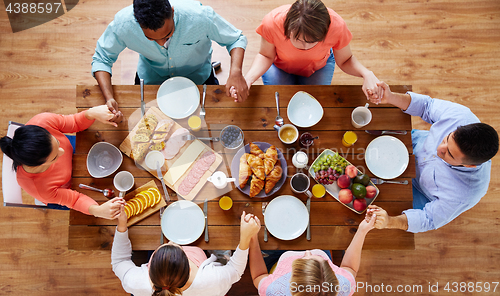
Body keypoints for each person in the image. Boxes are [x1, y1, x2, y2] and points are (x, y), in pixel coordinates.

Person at [366, 82, 499, 233]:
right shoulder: (461, 116)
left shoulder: (466, 193)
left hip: (416, 190)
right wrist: (391, 97)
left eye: (449, 153)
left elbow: (428, 219)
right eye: (446, 139)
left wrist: (390, 221)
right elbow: (426, 106)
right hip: (410, 143)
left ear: (469, 166)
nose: (438, 149)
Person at [92, 0, 249, 122]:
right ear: (138, 23)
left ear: (172, 12)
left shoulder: (200, 17)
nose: (161, 43)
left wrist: (236, 72)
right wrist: (109, 97)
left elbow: (235, 39)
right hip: (151, 82)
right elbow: (101, 58)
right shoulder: (124, 25)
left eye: (168, 35)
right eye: (150, 39)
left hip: (199, 80)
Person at [0, 105, 125, 219]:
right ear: (40, 164)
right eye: (55, 157)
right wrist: (97, 210)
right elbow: (74, 200)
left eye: (57, 142)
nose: (62, 151)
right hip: (65, 190)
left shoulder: (42, 121)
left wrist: (91, 113)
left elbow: (74, 122)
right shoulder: (40, 189)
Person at [243, 0, 381, 102]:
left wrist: (366, 74)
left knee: (311, 102)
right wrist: (248, 79)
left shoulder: (337, 26)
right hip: (279, 66)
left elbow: (345, 59)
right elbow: (266, 55)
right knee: (283, 101)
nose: (306, 48)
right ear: (288, 29)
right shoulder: (271, 23)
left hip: (319, 67)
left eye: (314, 42)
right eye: (300, 40)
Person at [111, 209, 261, 296]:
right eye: (178, 247)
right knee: (223, 251)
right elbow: (235, 270)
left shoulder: (136, 282)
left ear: (149, 269)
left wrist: (122, 226)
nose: (171, 241)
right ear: (189, 269)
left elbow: (119, 262)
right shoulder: (212, 280)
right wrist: (246, 236)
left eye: (166, 245)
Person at [248, 214, 376, 296]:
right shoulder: (344, 286)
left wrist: (253, 237)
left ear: (291, 278)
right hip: (317, 246)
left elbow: (259, 276)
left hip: (277, 259)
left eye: (304, 258)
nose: (308, 251)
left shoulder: (272, 289)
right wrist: (362, 230)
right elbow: (350, 268)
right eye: (324, 262)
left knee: (269, 250)